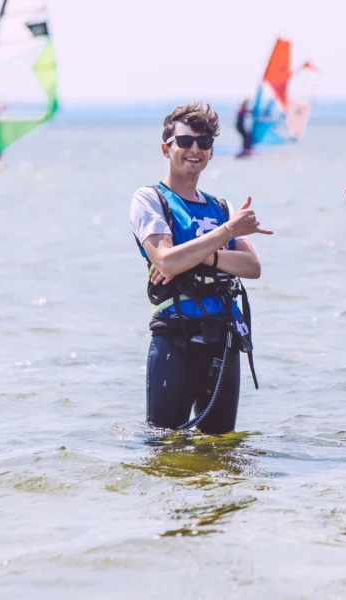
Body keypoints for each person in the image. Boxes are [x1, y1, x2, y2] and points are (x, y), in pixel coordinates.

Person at [130, 102, 273, 434]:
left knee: (222, 449)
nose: (194, 149)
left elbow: (252, 266)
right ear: (166, 148)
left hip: (223, 337)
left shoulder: (221, 206)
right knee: (165, 449)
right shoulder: (151, 199)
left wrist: (200, 257)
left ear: (211, 153)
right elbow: (165, 259)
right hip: (175, 338)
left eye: (204, 143)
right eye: (185, 141)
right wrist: (225, 234)